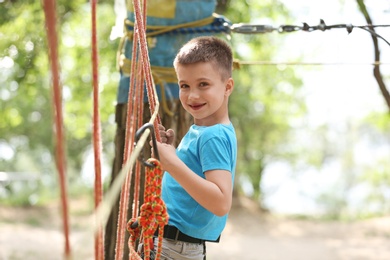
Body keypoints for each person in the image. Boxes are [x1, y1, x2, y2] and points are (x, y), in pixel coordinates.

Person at [151, 36, 237, 260]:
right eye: (184, 86)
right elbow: (195, 172)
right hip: (175, 244)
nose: (193, 95)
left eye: (203, 84)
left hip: (174, 247)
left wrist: (172, 163)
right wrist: (172, 153)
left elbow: (221, 202)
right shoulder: (206, 129)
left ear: (227, 86)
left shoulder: (213, 136)